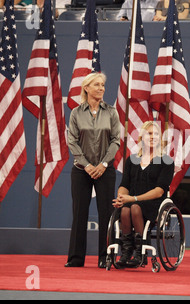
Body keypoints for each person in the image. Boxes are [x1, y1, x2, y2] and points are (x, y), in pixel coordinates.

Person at [65, 72, 120, 268]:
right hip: (81, 170)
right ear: (86, 88)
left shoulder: (111, 112)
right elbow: (72, 141)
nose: (101, 88)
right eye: (96, 85)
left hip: (105, 169)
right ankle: (76, 258)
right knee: (80, 213)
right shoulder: (76, 113)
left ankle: (106, 257)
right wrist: (87, 165)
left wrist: (103, 164)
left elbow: (116, 141)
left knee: (106, 213)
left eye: (103, 85)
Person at [112, 121, 174, 267]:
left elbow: (160, 191)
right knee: (126, 208)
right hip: (132, 201)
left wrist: (133, 198)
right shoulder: (132, 160)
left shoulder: (166, 161)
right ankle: (127, 251)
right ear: (142, 137)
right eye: (150, 133)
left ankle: (141, 252)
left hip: (153, 204)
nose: (153, 137)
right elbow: (124, 185)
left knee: (133, 207)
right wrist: (121, 197)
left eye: (157, 134)